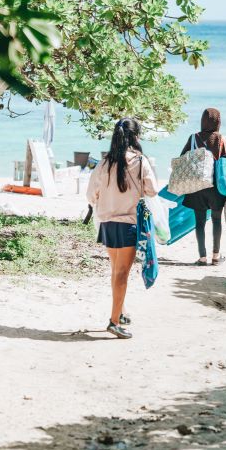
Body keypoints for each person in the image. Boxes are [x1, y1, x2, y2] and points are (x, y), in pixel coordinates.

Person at [87, 117, 158, 340]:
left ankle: (121, 311)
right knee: (122, 274)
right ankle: (114, 322)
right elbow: (152, 190)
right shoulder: (140, 161)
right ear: (135, 137)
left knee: (116, 270)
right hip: (128, 224)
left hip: (107, 224)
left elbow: (91, 195)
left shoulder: (105, 162)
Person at [181, 107, 226, 266]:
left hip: (197, 186)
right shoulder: (222, 139)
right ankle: (216, 257)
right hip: (217, 187)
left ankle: (202, 258)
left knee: (200, 222)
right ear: (218, 122)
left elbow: (182, 158)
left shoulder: (193, 138)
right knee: (216, 220)